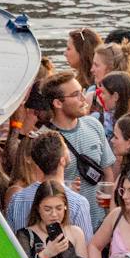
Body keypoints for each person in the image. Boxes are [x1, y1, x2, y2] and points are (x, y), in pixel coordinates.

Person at [39, 70, 115, 224]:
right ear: (58, 103)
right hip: (68, 226)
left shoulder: (93, 125)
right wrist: (65, 192)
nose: (83, 99)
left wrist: (109, 215)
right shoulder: (44, 138)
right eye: (75, 95)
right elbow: (40, 186)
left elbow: (108, 174)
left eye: (82, 92)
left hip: (100, 223)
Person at [5, 129, 95, 237]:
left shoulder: (17, 199)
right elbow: (85, 247)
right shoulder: (78, 203)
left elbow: (11, 240)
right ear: (62, 160)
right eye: (66, 147)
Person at [19, 181, 95, 258]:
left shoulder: (75, 232)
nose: (54, 214)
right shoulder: (25, 235)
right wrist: (45, 254)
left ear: (65, 207)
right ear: (38, 208)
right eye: (47, 209)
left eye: (59, 208)